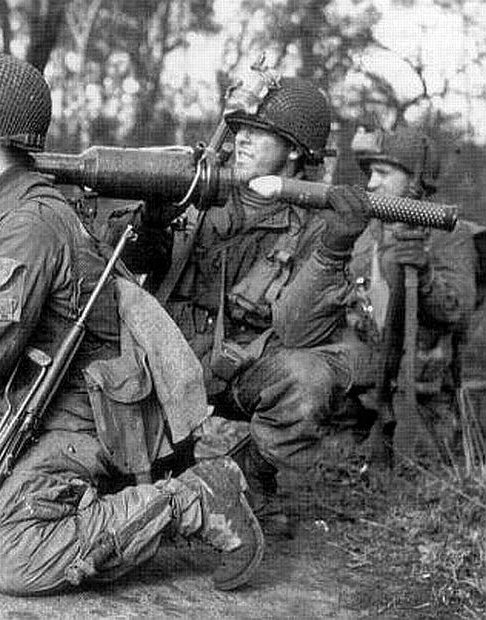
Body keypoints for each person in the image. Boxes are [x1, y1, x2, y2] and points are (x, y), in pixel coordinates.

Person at [0, 46, 264, 595]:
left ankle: (194, 498)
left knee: (14, 561)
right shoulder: (5, 204)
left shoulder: (30, 222)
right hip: (33, 394)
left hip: (77, 422)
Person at [122, 76, 372, 536]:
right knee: (133, 496)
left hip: (243, 369)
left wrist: (335, 249)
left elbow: (297, 330)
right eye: (239, 128)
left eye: (260, 130)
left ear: (295, 149)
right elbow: (125, 261)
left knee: (309, 378)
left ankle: (248, 477)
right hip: (162, 360)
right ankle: (172, 469)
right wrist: (152, 220)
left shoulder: (318, 224)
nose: (243, 138)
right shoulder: (196, 188)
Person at [341, 126, 477, 456]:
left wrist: (425, 274)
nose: (372, 183)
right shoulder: (363, 235)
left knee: (417, 472)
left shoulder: (448, 233)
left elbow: (457, 311)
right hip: (359, 390)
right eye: (370, 173)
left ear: (415, 182)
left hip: (422, 398)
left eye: (383, 173)